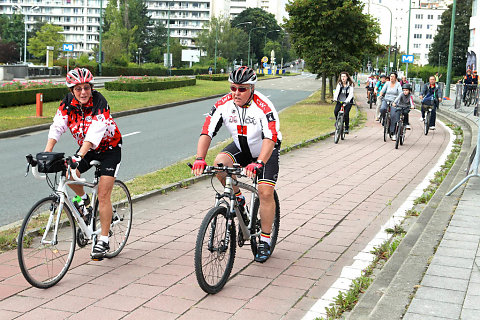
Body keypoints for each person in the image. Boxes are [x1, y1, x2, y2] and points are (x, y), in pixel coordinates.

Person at [192, 66, 281, 263]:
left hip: (265, 149)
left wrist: (259, 163)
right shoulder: (223, 104)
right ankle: (238, 198)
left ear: (252, 88)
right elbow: (207, 131)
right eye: (233, 88)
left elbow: (270, 137)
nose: (236, 93)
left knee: (265, 192)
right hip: (241, 147)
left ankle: (265, 240)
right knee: (219, 164)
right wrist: (200, 158)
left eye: (242, 89)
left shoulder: (264, 106)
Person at [44, 68, 122, 260]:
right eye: (78, 89)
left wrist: (79, 155)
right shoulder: (67, 104)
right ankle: (85, 202)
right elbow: (58, 126)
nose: (83, 92)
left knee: (103, 195)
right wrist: (47, 152)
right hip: (87, 149)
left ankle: (103, 240)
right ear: (72, 91)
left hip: (109, 149)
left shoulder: (100, 102)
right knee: (70, 174)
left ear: (91, 88)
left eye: (86, 87)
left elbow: (96, 131)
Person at [379, 72, 402, 137]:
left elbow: (400, 93)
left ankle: (392, 131)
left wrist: (396, 101)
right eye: (391, 76)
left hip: (394, 101)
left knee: (393, 115)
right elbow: (382, 90)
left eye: (393, 76)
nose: (391, 78)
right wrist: (380, 95)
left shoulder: (398, 85)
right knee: (382, 109)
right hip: (386, 99)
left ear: (395, 78)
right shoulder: (387, 83)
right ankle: (384, 119)